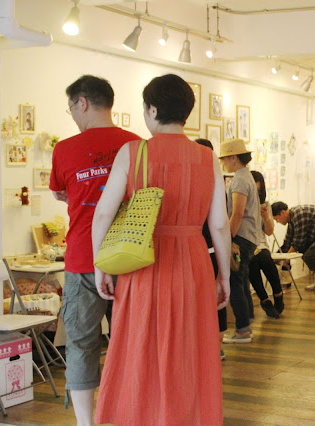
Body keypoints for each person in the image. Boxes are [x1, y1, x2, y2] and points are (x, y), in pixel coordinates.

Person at [91, 74, 231, 425]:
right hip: (193, 262)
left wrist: (100, 266)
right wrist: (224, 275)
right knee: (189, 348)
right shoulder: (207, 157)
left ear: (152, 109)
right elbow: (218, 224)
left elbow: (104, 213)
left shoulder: (133, 152)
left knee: (140, 347)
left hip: (142, 259)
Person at [49, 74, 140, 426]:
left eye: (71, 107)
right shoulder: (136, 144)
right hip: (130, 257)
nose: (72, 114)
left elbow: (60, 191)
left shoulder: (65, 149)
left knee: (81, 344)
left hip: (83, 260)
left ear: (82, 102)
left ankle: (86, 423)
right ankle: (129, 413)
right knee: (130, 342)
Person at [219, 138, 261, 343]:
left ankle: (242, 329)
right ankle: (247, 321)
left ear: (233, 158)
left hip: (241, 236)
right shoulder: (246, 177)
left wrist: (227, 239)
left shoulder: (240, 180)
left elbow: (237, 213)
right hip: (249, 236)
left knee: (235, 281)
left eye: (225, 159)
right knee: (242, 279)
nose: (223, 163)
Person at [196, 138, 229, 360]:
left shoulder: (191, 180)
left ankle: (208, 345)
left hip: (197, 248)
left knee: (201, 299)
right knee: (216, 297)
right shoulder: (216, 181)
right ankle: (217, 345)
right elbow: (220, 223)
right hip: (211, 248)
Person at [249, 171, 284, 318]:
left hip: (261, 244)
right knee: (251, 263)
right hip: (247, 245)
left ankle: (278, 294)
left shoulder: (265, 205)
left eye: (258, 191)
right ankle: (264, 300)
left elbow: (269, 232)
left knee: (264, 258)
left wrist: (266, 217)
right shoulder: (240, 203)